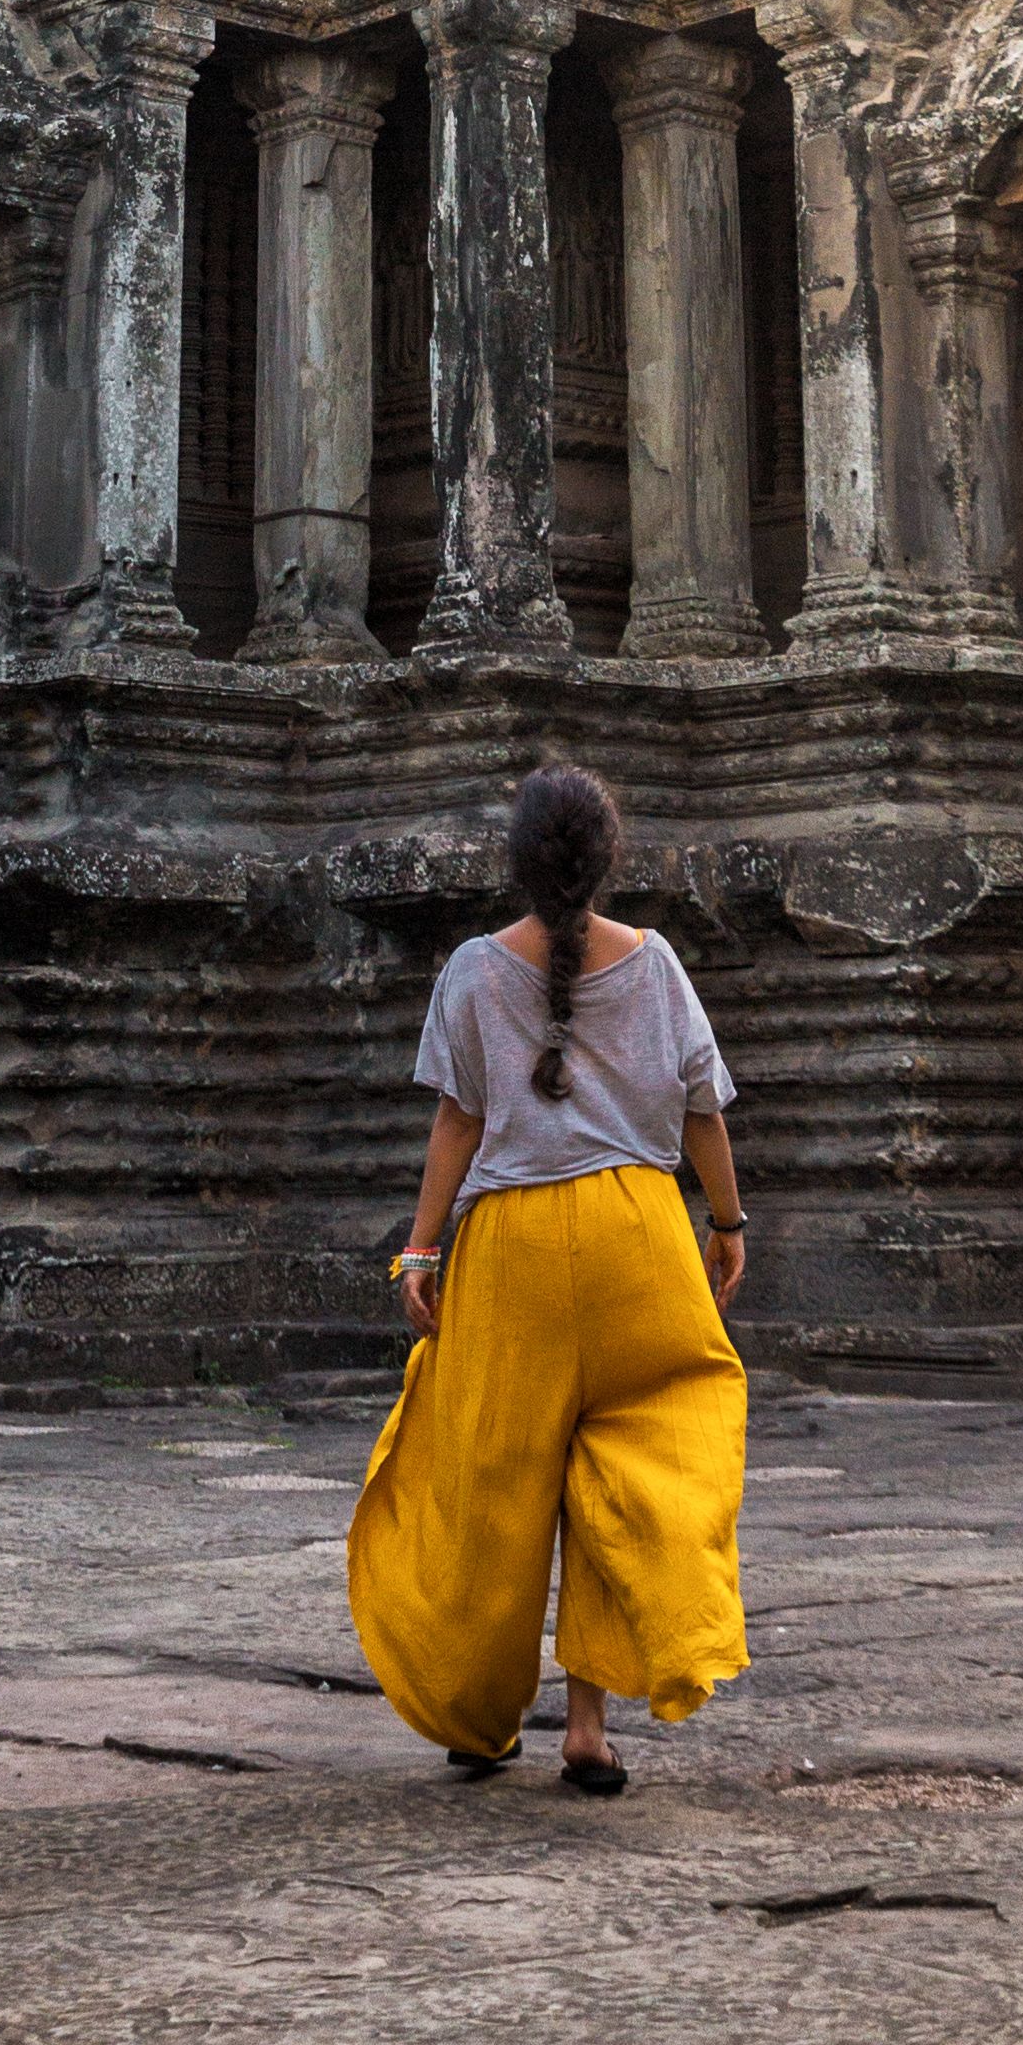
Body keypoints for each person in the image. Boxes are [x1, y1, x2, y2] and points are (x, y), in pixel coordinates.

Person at [347, 761, 748, 1795]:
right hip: (640, 1238)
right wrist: (728, 1220)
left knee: (494, 1481)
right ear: (608, 859)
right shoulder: (654, 964)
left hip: (513, 1246)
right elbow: (702, 1105)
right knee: (637, 1464)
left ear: (517, 864)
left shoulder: (475, 969)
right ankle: (586, 1727)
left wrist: (421, 1247)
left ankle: (479, 1717)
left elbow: (458, 1120)